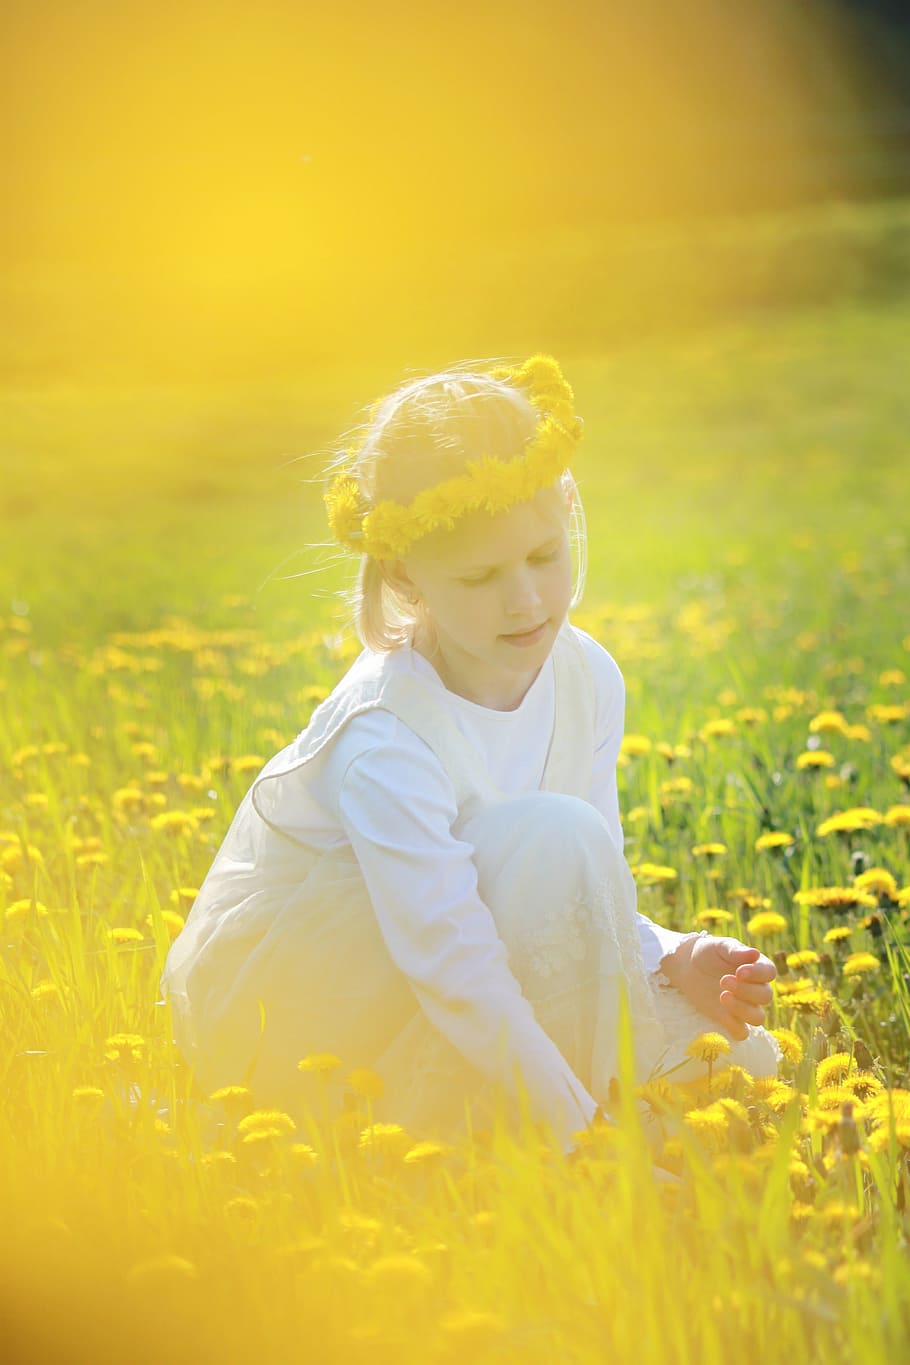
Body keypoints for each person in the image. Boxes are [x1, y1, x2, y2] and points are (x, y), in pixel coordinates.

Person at [159, 354, 781, 1159]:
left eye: (543, 556)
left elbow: (579, 882)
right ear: (406, 574)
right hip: (308, 1004)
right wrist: (579, 1138)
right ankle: (491, 1129)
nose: (525, 599)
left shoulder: (586, 676)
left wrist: (669, 953)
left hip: (462, 955)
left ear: (566, 509)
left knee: (741, 1061)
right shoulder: (387, 733)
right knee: (602, 1085)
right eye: (481, 575)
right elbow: (451, 959)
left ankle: (554, 1105)